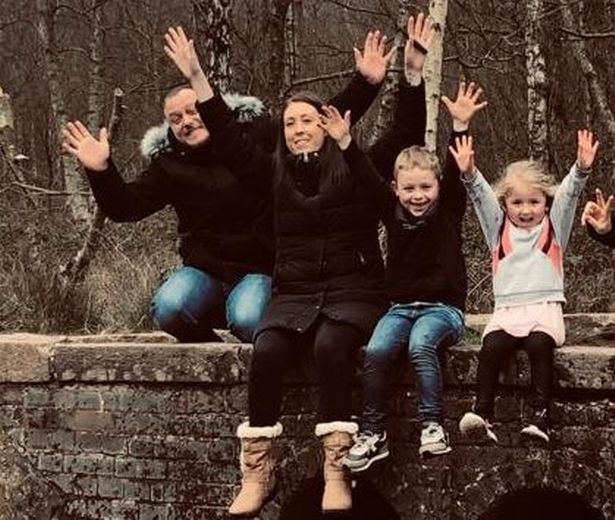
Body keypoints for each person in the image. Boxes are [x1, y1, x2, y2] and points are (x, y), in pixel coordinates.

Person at [163, 14, 429, 516]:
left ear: (326, 126)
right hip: (296, 294)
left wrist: (411, 76)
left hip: (354, 291)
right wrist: (197, 77)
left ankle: (336, 470)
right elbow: (227, 135)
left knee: (330, 347)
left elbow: (405, 133)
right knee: (266, 351)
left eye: (307, 120)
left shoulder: (357, 165)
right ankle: (258, 471)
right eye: (289, 123)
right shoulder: (271, 175)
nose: (298, 129)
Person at [61, 31, 390, 344]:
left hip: (260, 270)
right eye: (176, 119)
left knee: (248, 318)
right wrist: (101, 171)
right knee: (169, 307)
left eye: (192, 111)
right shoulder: (169, 165)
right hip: (205, 271)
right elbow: (126, 207)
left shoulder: (253, 135)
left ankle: (251, 338)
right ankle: (214, 349)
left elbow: (315, 123)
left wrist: (366, 83)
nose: (186, 121)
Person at [343, 81, 487, 473]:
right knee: (375, 352)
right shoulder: (391, 212)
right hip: (400, 308)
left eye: (426, 187)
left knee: (420, 346)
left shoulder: (448, 210)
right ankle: (373, 433)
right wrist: (344, 142)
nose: (418, 195)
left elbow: (456, 170)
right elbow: (365, 175)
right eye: (409, 188)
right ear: (396, 189)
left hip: (443, 310)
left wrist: (460, 126)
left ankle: (432, 426)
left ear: (438, 187)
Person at [451, 130, 598, 443]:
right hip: (507, 311)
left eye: (534, 201)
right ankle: (483, 413)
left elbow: (569, 196)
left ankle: (540, 418)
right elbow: (481, 199)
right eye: (517, 202)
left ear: (545, 202)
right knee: (491, 347)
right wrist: (470, 174)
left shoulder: (554, 228)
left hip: (544, 310)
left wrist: (581, 170)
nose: (526, 209)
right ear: (505, 204)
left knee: (538, 346)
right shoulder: (498, 229)